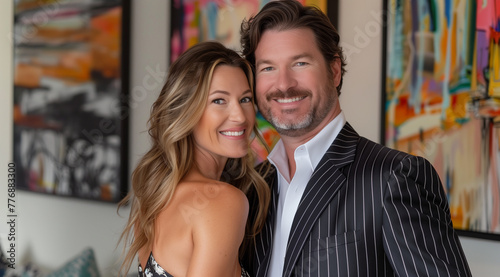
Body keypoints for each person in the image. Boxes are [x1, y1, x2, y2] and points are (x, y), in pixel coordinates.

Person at [239, 1, 472, 276]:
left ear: (334, 70)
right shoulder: (254, 187)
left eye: (300, 63)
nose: (284, 84)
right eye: (267, 68)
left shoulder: (394, 177)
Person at [117, 41, 271, 277]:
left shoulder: (155, 199)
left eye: (245, 99)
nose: (240, 116)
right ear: (185, 110)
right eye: (219, 100)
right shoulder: (223, 201)